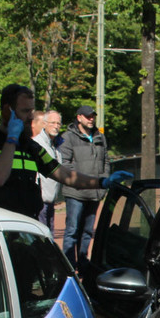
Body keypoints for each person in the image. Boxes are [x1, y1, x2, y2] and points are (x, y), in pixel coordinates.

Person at [0, 86, 128, 221]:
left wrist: (102, 182)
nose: (30, 117)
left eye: (31, 111)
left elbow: (65, 175)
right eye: (25, 111)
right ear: (6, 111)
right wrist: (11, 139)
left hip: (25, 224)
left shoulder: (30, 147)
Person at [59, 104, 111, 267]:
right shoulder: (68, 137)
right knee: (72, 230)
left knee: (87, 231)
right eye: (87, 116)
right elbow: (65, 164)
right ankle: (69, 264)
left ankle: (83, 262)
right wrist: (80, 179)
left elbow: (106, 160)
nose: (91, 119)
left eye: (92, 116)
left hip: (95, 192)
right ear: (79, 117)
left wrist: (103, 179)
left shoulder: (99, 137)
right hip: (75, 192)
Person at [32, 110, 64, 232]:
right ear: (44, 124)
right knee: (43, 235)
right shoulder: (37, 144)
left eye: (58, 123)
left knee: (50, 234)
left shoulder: (56, 145)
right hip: (41, 201)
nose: (56, 126)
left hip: (51, 200)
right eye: (52, 123)